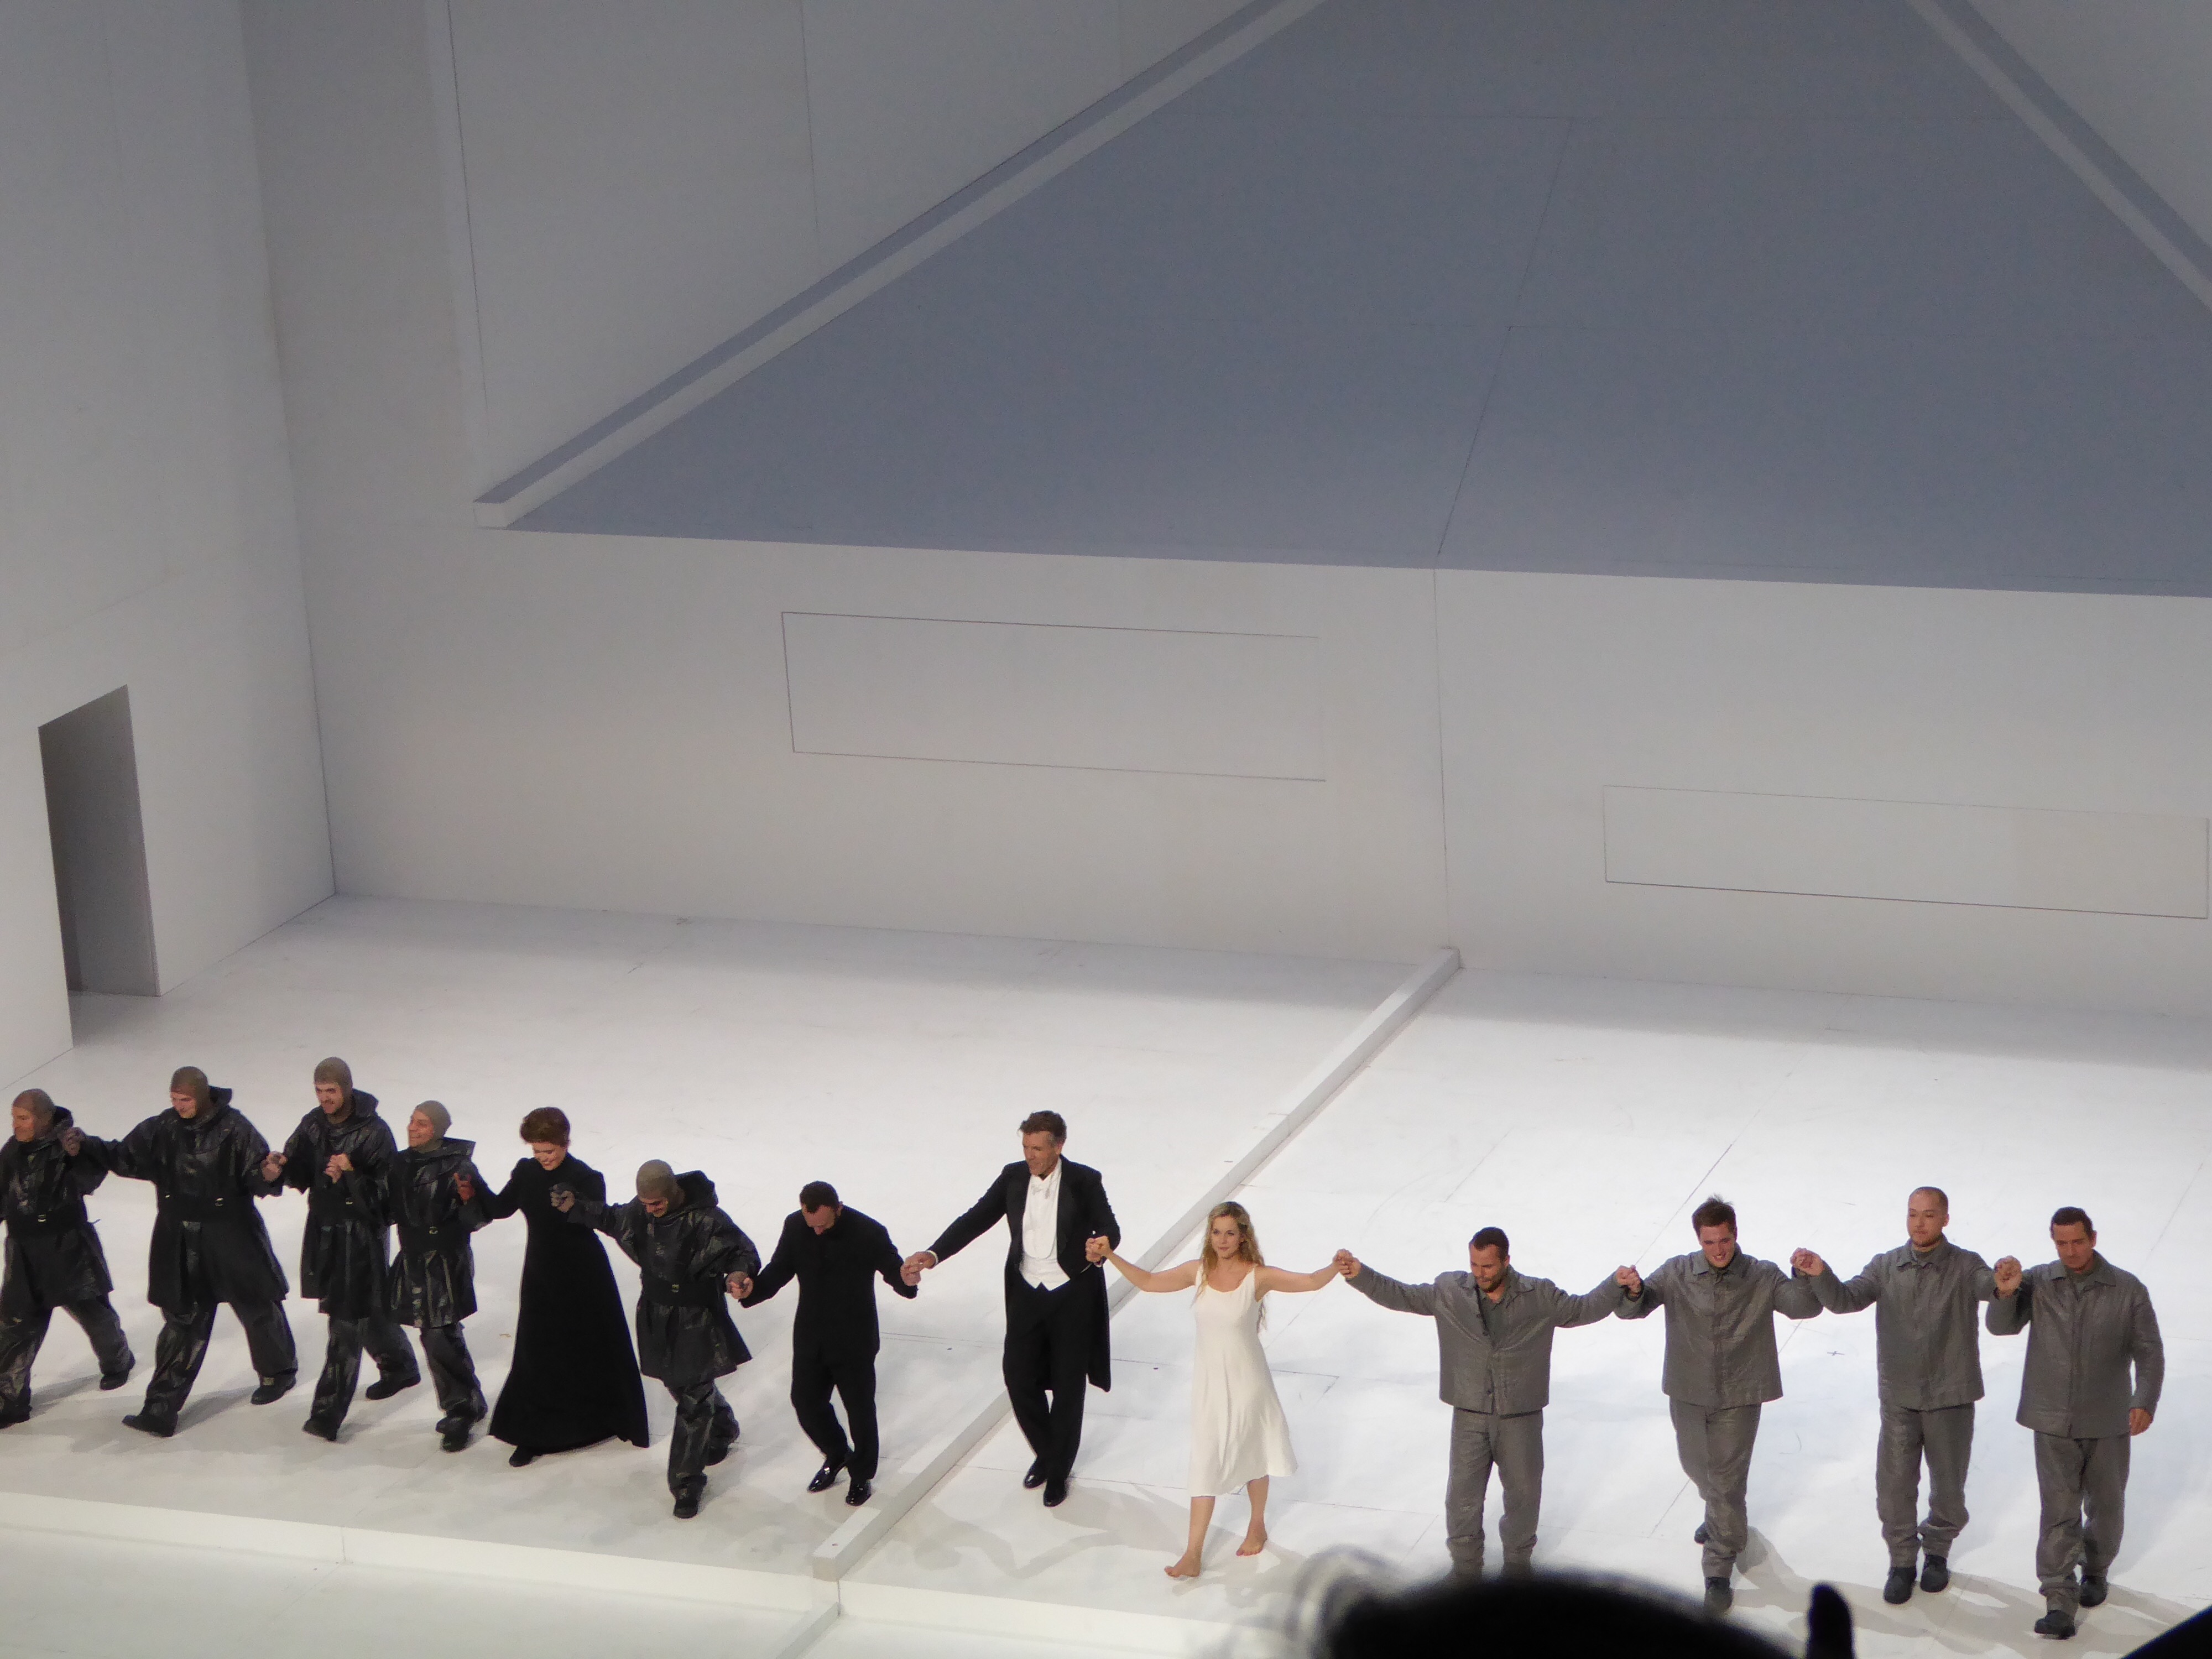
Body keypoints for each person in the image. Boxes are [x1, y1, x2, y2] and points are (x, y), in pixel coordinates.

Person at [1331, 1226, 1636, 1579]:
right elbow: (1402, 1296)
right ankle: (1465, 1572)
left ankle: (1517, 1570)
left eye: (1488, 1266)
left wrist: (1615, 1284)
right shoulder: (1450, 1291)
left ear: (1506, 1261)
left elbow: (1582, 1309)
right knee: (1462, 1499)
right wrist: (1360, 1274)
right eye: (1474, 1265)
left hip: (1520, 1415)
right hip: (1470, 1412)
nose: (1480, 1273)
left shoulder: (1539, 1295)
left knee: (1523, 1496)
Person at [1091, 1201, 1342, 1577]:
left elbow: (1309, 1281)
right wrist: (1110, 1255)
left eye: (1230, 1233)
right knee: (1205, 1462)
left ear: (1243, 1237)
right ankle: (1193, 1553)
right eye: (1216, 1232)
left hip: (1248, 1383)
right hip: (1210, 1387)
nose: (1222, 1240)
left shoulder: (1258, 1276)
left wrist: (1336, 1267)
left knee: (1254, 1452)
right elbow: (1149, 1282)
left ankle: (1257, 1524)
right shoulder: (1198, 1272)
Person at [1792, 1187, 1999, 1604]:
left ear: (1945, 1219)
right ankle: (1902, 1561)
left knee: (1949, 1487)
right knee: (1894, 1485)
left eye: (1929, 1215)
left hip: (1951, 1394)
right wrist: (1819, 1273)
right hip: (1900, 1396)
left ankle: (1937, 1551)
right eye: (1913, 1214)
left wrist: (2003, 1284)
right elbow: (1847, 1299)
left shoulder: (1964, 1265)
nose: (1919, 1223)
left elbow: (1986, 1286)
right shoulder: (1886, 1266)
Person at [1617, 1194, 1823, 1613]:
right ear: (1699, 1239)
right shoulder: (1677, 1272)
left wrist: (1804, 1276)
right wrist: (1634, 1290)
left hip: (1740, 1393)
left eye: (1724, 1240)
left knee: (1727, 1481)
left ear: (1736, 1234)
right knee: (1696, 1466)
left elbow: (1803, 1307)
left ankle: (1718, 1567)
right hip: (1689, 1389)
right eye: (1710, 1242)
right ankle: (1722, 1518)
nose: (1718, 1250)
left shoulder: (1760, 1274)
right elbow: (1635, 1307)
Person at [903, 1110, 1119, 1507]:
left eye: (1037, 1149)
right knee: (1018, 1378)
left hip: (1071, 1294)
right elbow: (975, 1219)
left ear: (1059, 1146)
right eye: (1026, 1147)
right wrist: (934, 1254)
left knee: (1068, 1387)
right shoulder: (1013, 1177)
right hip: (1027, 1292)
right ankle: (1050, 1454)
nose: (1030, 1156)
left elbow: (1110, 1228)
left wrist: (1100, 1247)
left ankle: (1058, 1471)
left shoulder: (1085, 1180)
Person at [87, 1066, 296, 1436]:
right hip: (180, 1237)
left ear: (201, 1096)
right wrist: (87, 1147)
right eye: (174, 1099)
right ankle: (160, 1408)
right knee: (182, 1320)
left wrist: (268, 1173)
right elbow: (124, 1156)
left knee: (257, 1305)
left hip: (231, 1234)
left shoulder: (235, 1128)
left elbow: (256, 1173)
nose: (179, 1106)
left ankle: (278, 1372)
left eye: (185, 1099)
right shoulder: (163, 1128)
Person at [1986, 1206, 2164, 1641]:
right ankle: (2058, 1599)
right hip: (2051, 1417)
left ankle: (2096, 1569)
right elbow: (2000, 1328)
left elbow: (2150, 1351)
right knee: (2058, 1509)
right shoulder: (2038, 1282)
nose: (2070, 1251)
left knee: (2106, 1505)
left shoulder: (2127, 1289)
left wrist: (2144, 1400)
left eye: (2078, 1242)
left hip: (2107, 1418)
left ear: (2094, 1238)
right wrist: (2005, 1293)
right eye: (2061, 1243)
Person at [554, 1161, 759, 1519]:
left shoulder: (707, 1219)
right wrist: (578, 1206)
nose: (650, 1210)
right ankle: (722, 1427)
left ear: (673, 1193)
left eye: (656, 1203)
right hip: (655, 1312)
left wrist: (738, 1275)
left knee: (693, 1395)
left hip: (696, 1315)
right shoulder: (641, 1213)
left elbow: (741, 1251)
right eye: (645, 1203)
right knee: (679, 1384)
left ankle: (686, 1483)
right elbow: (612, 1218)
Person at [482, 1108, 648, 1464]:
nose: (543, 1158)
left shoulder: (585, 1177)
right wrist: (472, 1188)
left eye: (550, 1150)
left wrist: (577, 1205)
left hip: (582, 1274)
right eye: (537, 1151)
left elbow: (601, 1219)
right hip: (541, 1273)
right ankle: (535, 1432)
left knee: (585, 1347)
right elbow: (499, 1207)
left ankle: (598, 1419)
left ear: (565, 1143)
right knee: (538, 1351)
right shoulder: (526, 1172)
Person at [264, 1057, 419, 1439]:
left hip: (360, 1233)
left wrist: (351, 1175)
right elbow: (300, 1166)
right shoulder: (313, 1124)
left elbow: (388, 1196)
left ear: (346, 1089)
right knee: (367, 1305)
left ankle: (327, 1412)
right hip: (324, 1227)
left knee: (346, 1319)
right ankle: (400, 1366)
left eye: (331, 1091)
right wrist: (281, 1167)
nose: (324, 1098)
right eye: (319, 1091)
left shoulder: (374, 1132)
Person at [740, 1180, 915, 1507]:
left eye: (823, 1225)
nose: (817, 1231)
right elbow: (780, 1269)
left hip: (854, 1340)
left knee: (860, 1411)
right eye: (812, 1226)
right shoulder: (796, 1226)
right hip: (811, 1335)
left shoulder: (868, 1232)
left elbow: (894, 1268)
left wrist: (906, 1281)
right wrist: (753, 1291)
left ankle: (861, 1474)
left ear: (839, 1208)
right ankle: (837, 1453)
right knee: (805, 1402)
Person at [0, 1089, 133, 1423]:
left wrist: (79, 1154)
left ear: (44, 1119)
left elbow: (90, 1178)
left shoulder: (69, 1146)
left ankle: (118, 1360)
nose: (16, 1125)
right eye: (14, 1118)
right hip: (23, 1251)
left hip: (67, 1248)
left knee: (93, 1313)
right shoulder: (12, 1151)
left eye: (23, 1118)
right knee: (16, 1324)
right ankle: (9, 1401)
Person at [385, 1102, 491, 1452]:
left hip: (445, 1260)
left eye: (422, 1124)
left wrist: (469, 1199)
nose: (412, 1128)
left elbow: (479, 1217)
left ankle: (460, 1408)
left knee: (438, 1332)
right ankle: (466, 1401)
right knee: (436, 1332)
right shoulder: (400, 1163)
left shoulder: (458, 1165)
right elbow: (385, 1209)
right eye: (412, 1121)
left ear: (438, 1129)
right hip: (413, 1257)